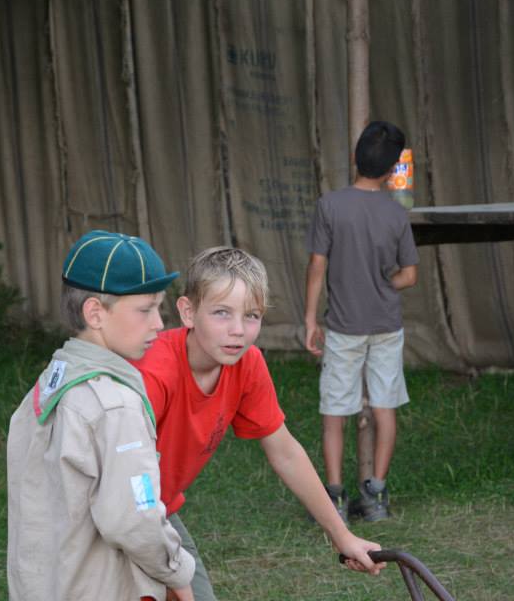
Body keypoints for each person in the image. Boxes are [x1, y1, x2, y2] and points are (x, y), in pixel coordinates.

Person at [132, 246, 386, 601]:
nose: (238, 330)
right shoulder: (153, 373)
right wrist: (176, 580)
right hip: (109, 511)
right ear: (188, 312)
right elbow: (119, 480)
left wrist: (343, 537)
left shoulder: (247, 364)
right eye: (222, 313)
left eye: (251, 316)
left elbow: (284, 452)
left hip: (159, 510)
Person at [7, 231, 195, 601]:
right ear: (95, 312)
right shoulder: (115, 407)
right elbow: (135, 518)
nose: (159, 323)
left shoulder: (48, 385)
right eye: (145, 309)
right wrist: (178, 572)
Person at [303, 120, 419, 522]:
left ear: (355, 158)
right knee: (384, 408)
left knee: (335, 410)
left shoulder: (330, 205)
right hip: (386, 325)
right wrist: (386, 280)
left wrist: (308, 319)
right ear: (391, 169)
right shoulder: (396, 213)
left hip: (342, 327)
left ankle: (334, 494)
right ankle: (377, 495)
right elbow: (410, 275)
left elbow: (317, 265)